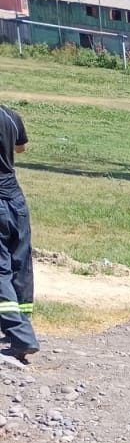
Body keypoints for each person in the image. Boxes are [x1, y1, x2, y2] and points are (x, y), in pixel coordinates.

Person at [0, 103, 37, 364]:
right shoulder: (10, 116)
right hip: (16, 199)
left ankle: (21, 336)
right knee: (20, 263)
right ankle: (22, 322)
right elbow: (21, 148)